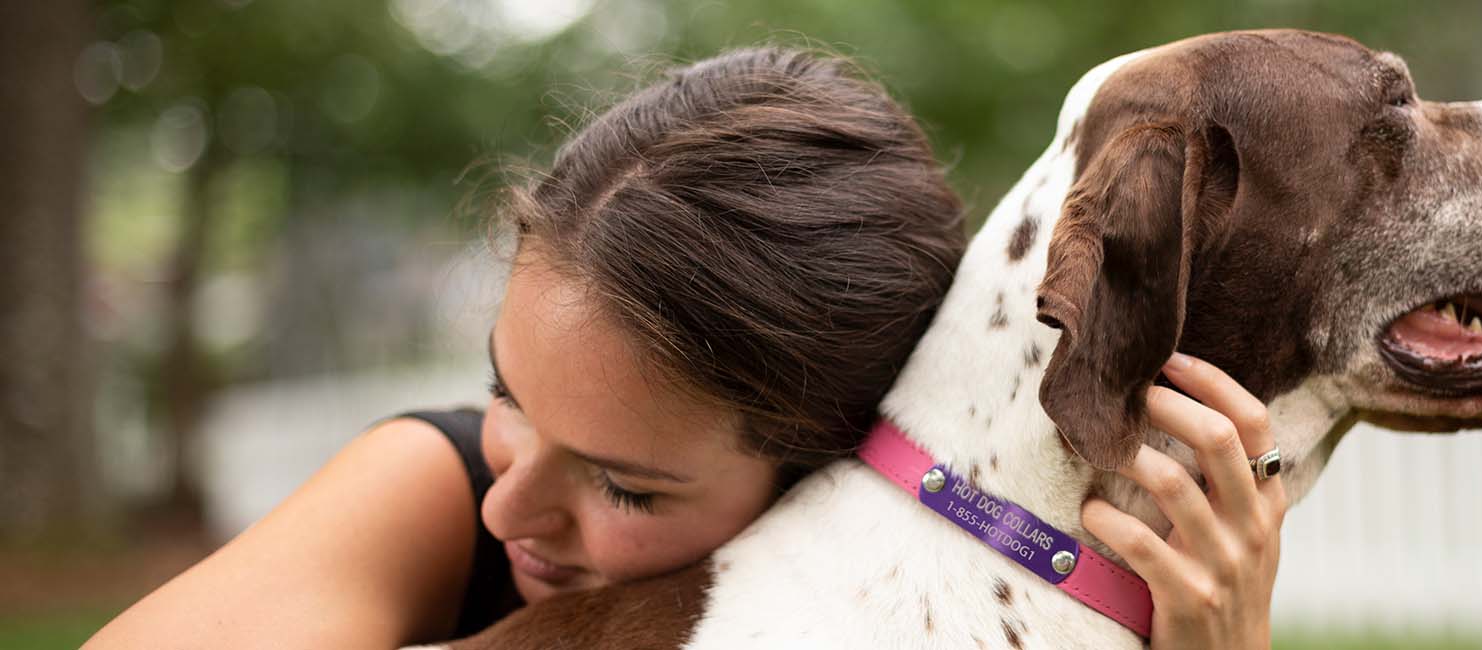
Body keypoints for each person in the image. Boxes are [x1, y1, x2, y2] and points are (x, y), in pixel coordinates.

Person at [85, 46, 1283, 649]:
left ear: (819, 472)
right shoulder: (442, 489)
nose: (510, 508)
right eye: (505, 393)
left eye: (624, 482)